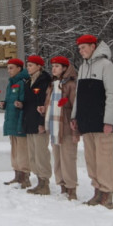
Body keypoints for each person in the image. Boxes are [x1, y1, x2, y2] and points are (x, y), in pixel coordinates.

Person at [71, 34, 113, 209]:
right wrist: (74, 117)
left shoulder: (107, 65)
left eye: (84, 47)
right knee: (91, 159)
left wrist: (108, 121)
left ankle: (107, 194)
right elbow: (78, 96)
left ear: (93, 46)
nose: (81, 51)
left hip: (101, 122)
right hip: (86, 121)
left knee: (104, 158)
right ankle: (97, 191)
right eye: (79, 48)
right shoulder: (83, 67)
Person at [40, 55, 79, 200]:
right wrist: (44, 109)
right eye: (53, 66)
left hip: (66, 127)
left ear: (64, 68)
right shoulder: (52, 84)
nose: (54, 68)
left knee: (68, 158)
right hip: (54, 126)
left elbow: (76, 107)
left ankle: (71, 188)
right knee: (57, 158)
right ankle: (62, 184)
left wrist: (76, 130)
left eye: (57, 66)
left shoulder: (71, 84)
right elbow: (49, 103)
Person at [0, 58, 31, 188]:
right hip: (12, 120)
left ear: (19, 68)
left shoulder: (24, 82)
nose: (9, 71)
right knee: (15, 150)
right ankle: (17, 175)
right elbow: (10, 100)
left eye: (11, 68)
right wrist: (3, 104)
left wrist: (21, 105)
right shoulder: (11, 83)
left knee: (23, 151)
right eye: (8, 68)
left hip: (20, 120)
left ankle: (25, 176)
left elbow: (26, 101)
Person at [23, 55, 52, 195]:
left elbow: (44, 103)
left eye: (31, 65)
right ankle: (39, 180)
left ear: (39, 66)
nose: (28, 68)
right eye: (27, 65)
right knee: (33, 154)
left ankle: (44, 182)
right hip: (29, 121)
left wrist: (42, 122)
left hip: (39, 122)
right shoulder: (28, 81)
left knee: (41, 153)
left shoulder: (45, 81)